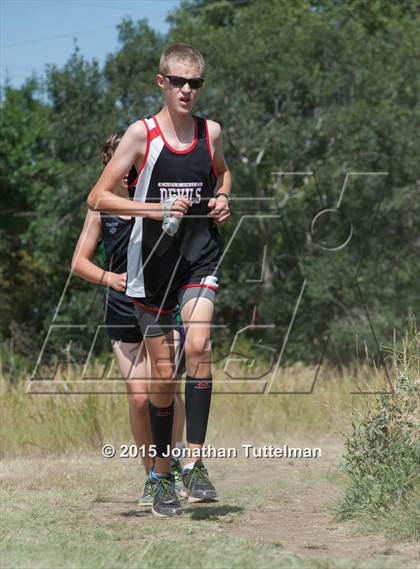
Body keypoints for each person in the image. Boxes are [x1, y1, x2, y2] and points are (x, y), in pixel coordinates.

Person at [87, 43, 231, 518]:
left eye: (196, 83)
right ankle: (160, 474)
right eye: (179, 82)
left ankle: (193, 461)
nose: (187, 90)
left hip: (197, 256)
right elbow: (98, 197)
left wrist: (222, 200)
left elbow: (223, 175)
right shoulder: (140, 135)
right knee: (163, 378)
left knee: (201, 346)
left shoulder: (210, 133)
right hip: (149, 265)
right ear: (161, 82)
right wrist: (155, 209)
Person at [72, 130, 186, 506]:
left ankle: (170, 462)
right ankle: (152, 473)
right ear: (109, 164)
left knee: (165, 388)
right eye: (117, 162)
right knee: (139, 399)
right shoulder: (100, 211)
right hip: (122, 308)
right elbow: (79, 263)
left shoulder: (156, 200)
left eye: (130, 162)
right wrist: (110, 278)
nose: (124, 171)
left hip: (159, 303)